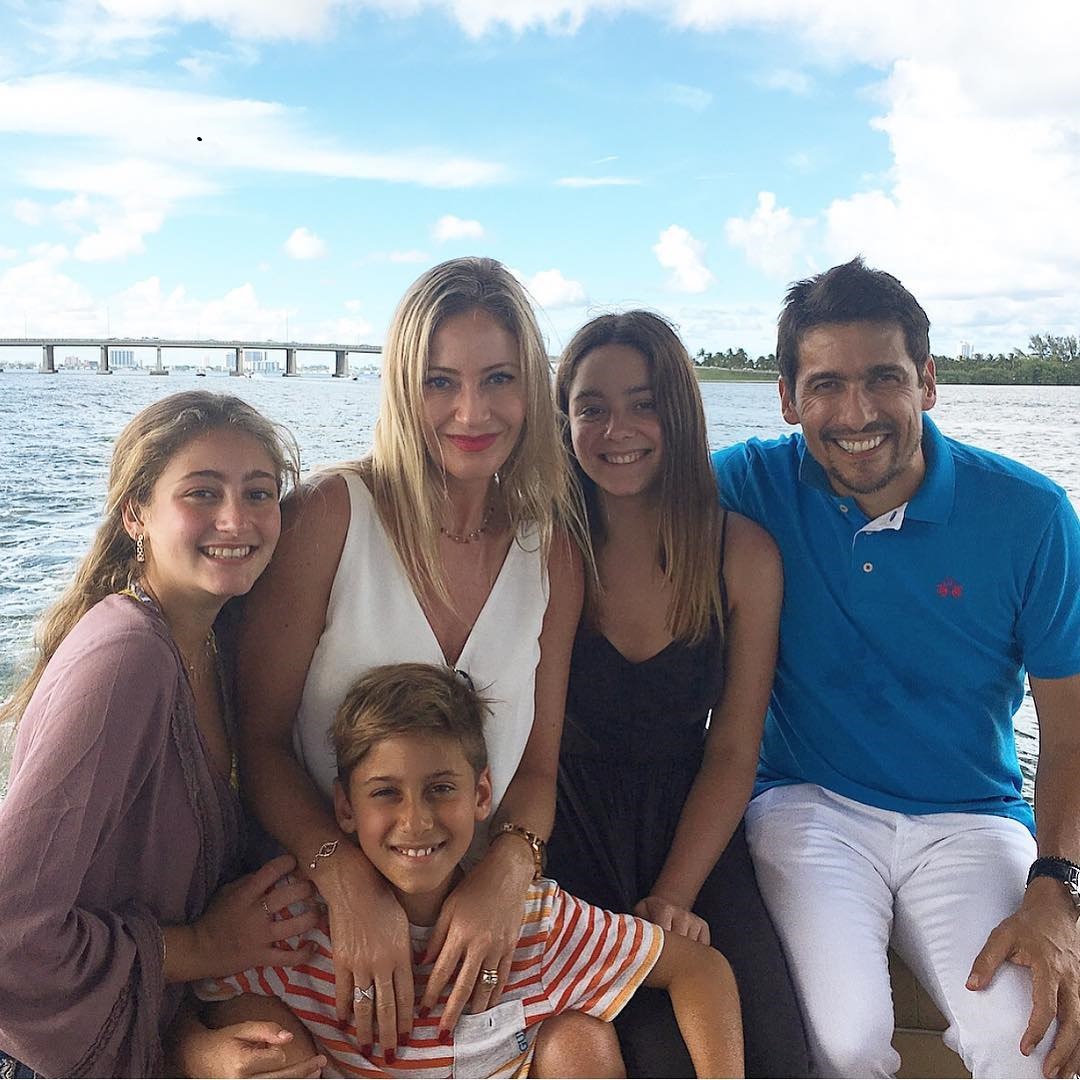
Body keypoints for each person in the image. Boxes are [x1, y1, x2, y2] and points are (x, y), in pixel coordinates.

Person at [711, 257, 1080, 1079]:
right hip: (808, 802)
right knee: (842, 1040)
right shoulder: (749, 483)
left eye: (884, 378)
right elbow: (608, 487)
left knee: (1031, 1042)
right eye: (826, 385)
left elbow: (1069, 737)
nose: (858, 413)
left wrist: (1058, 887)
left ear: (928, 382)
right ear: (787, 398)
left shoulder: (1029, 516)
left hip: (972, 817)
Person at [235, 257, 585, 1061]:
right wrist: (347, 882)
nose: (472, 411)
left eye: (499, 379)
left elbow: (537, 769)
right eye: (439, 382)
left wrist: (508, 873)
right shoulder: (330, 517)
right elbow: (256, 745)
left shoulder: (554, 552)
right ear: (400, 389)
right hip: (318, 928)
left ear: (532, 391)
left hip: (476, 933)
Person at [197, 662, 745, 1077]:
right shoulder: (298, 927)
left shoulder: (534, 921)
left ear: (482, 795)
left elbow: (701, 969)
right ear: (345, 808)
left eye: (441, 788)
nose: (416, 821)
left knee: (581, 1043)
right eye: (386, 793)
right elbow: (201, 993)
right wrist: (198, 1051)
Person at [0, 391, 325, 1079]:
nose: (235, 519)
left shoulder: (213, 641)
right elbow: (10, 934)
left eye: (258, 493)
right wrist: (206, 946)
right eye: (202, 493)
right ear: (136, 514)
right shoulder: (127, 658)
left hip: (160, 1013)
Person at [549, 310, 809, 1077]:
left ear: (680, 413)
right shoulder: (548, 548)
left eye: (644, 403)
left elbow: (732, 749)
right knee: (654, 1056)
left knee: (775, 1052)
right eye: (591, 407)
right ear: (564, 421)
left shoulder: (741, 555)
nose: (617, 429)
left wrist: (673, 895)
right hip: (565, 827)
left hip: (692, 823)